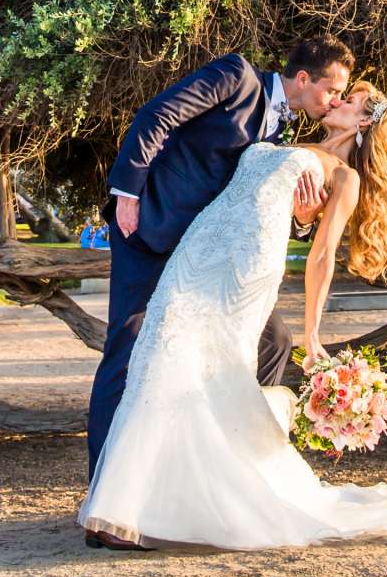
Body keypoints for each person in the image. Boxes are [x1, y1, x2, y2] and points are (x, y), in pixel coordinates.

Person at [78, 80, 387, 550]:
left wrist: (314, 331)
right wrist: (298, 214)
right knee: (158, 358)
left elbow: (322, 255)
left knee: (188, 362)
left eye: (351, 100)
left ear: (366, 121)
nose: (337, 100)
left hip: (244, 267)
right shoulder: (291, 141)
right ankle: (133, 505)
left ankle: (126, 513)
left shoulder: (346, 178)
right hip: (196, 251)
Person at [84, 38, 353, 488]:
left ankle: (229, 468)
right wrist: (127, 193)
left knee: (273, 342)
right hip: (150, 230)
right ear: (303, 79)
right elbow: (157, 115)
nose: (336, 101)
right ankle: (103, 492)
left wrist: (304, 220)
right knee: (127, 353)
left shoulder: (283, 130)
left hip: (206, 259)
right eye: (333, 90)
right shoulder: (236, 77)